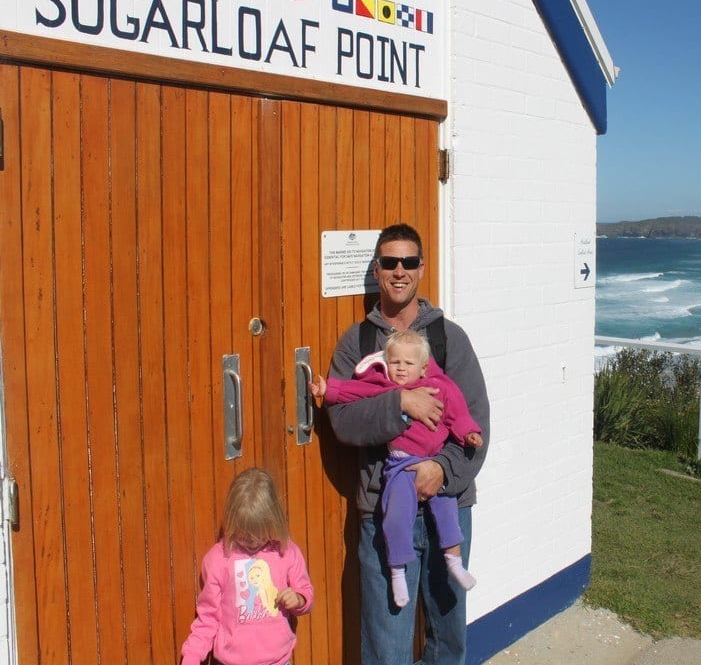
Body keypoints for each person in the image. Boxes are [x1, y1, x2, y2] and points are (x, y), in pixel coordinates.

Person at [326, 223, 490, 665]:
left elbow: (475, 423)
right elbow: (342, 419)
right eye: (390, 262)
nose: (400, 271)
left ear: (421, 268)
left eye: (409, 262)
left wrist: (442, 470)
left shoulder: (448, 338)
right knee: (386, 644)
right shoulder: (355, 343)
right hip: (381, 508)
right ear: (377, 270)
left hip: (449, 506)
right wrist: (401, 403)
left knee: (448, 636)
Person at [311, 329, 483, 608]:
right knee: (397, 515)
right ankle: (397, 571)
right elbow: (352, 392)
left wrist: (470, 433)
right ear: (386, 363)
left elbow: (459, 415)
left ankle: (454, 561)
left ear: (424, 368)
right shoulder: (385, 387)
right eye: (395, 363)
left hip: (435, 462)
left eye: (408, 364)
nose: (401, 369)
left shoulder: (441, 387)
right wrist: (327, 389)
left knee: (447, 508)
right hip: (401, 466)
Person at [181, 468, 314, 665]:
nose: (252, 542)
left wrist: (299, 599)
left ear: (273, 521)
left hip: (278, 661)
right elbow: (207, 617)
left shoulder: (286, 551)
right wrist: (191, 657)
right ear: (232, 522)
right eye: (244, 535)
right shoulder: (218, 559)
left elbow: (306, 594)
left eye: (260, 534)